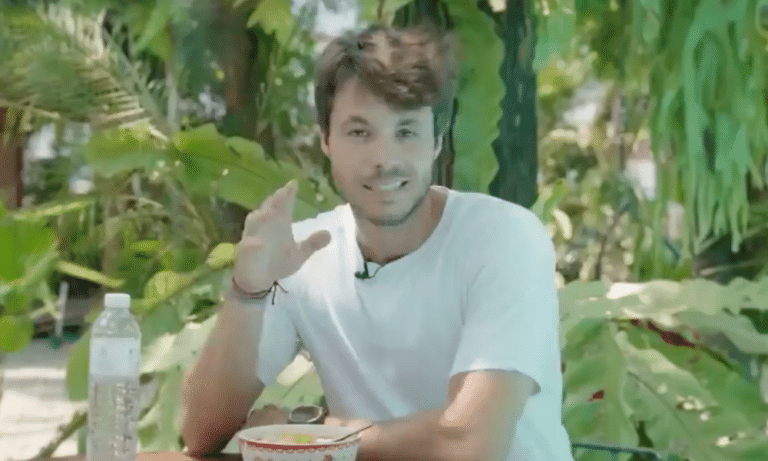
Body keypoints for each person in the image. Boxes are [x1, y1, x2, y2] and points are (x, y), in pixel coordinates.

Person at [180, 23, 574, 461]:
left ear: (436, 141)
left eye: (405, 132)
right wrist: (247, 292)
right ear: (326, 140)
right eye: (360, 132)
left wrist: (315, 435)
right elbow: (200, 434)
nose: (384, 159)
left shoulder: (504, 239)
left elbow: (471, 443)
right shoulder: (303, 254)